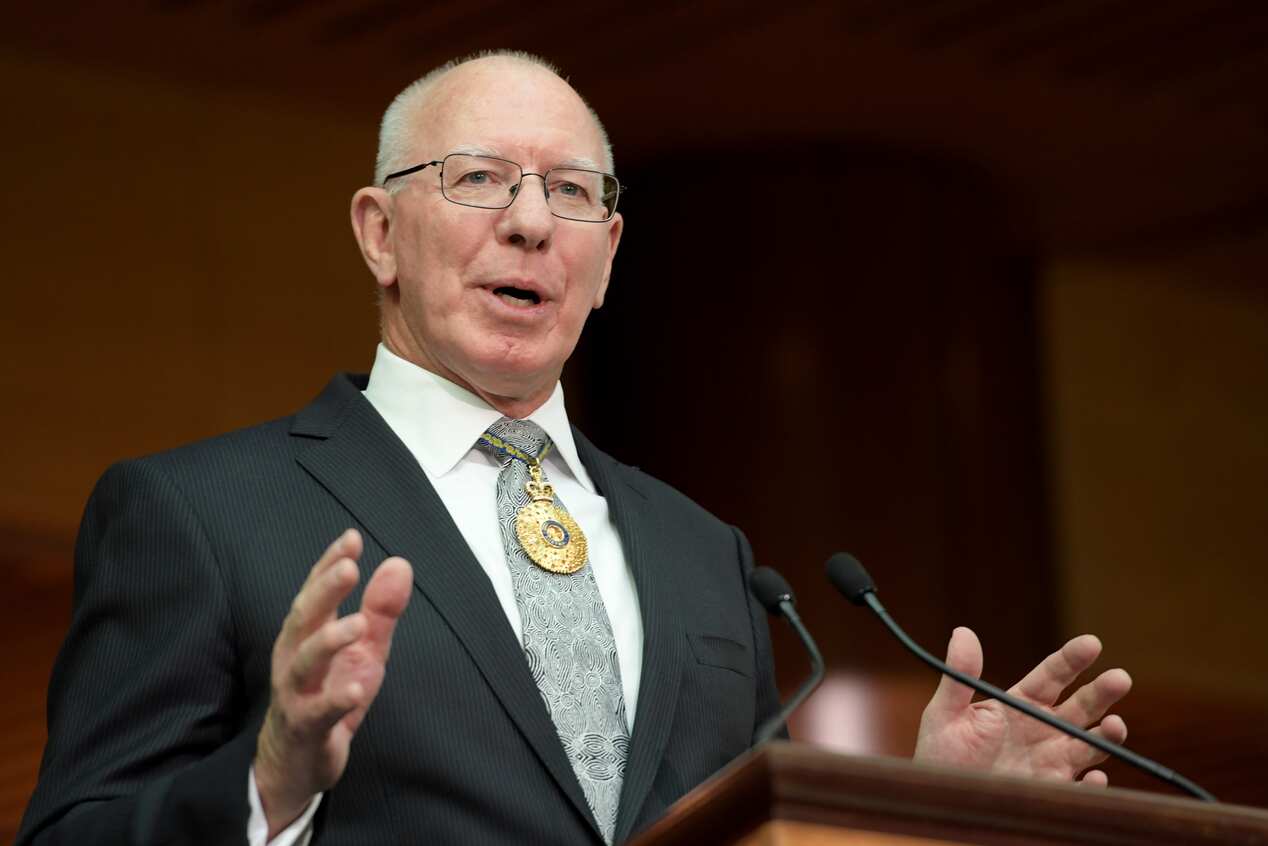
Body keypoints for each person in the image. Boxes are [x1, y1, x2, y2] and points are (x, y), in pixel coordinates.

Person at [17, 51, 1131, 846]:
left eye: (569, 193)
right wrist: (268, 781)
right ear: (377, 232)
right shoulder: (202, 514)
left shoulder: (706, 556)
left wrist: (915, 819)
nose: (530, 222)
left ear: (604, 256)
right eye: (480, 178)